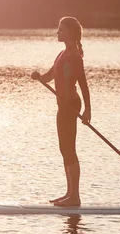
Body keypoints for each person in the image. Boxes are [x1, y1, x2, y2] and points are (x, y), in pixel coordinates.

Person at [31, 16, 91, 206]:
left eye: (61, 30)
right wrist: (39, 77)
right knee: (64, 149)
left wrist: (88, 110)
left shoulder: (74, 57)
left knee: (69, 149)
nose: (58, 33)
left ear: (71, 34)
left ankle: (75, 197)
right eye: (58, 30)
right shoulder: (62, 54)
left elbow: (83, 84)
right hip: (63, 105)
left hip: (71, 104)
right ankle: (69, 193)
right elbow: (49, 76)